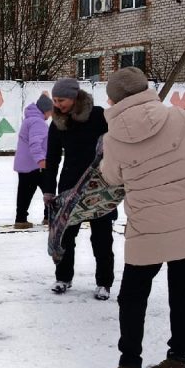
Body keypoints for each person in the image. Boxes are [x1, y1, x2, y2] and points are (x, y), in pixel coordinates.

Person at [95, 67, 185, 368]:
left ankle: (129, 366)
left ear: (113, 99)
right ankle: (177, 361)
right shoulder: (178, 118)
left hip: (148, 230)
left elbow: (112, 178)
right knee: (183, 293)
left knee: (132, 297)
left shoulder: (112, 139)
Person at [43, 77, 115, 300]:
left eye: (62, 99)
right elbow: (52, 157)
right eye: (55, 100)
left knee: (101, 238)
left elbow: (117, 143)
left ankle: (104, 283)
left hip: (99, 185)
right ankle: (63, 278)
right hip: (70, 186)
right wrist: (48, 189)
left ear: (75, 97)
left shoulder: (99, 116)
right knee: (65, 235)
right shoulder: (58, 122)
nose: (58, 104)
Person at [13, 93, 53, 229]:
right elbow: (35, 143)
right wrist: (41, 159)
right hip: (36, 164)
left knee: (24, 192)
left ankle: (20, 219)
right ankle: (50, 217)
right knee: (49, 189)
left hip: (25, 164)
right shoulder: (38, 122)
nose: (50, 116)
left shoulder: (30, 119)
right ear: (45, 110)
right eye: (50, 112)